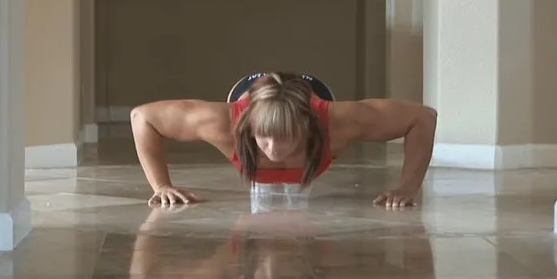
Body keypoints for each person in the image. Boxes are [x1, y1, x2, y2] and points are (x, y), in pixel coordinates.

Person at [130, 71, 438, 208]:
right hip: (249, 95)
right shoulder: (222, 123)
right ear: (247, 127)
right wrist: (161, 186)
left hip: (311, 92)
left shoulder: (340, 121)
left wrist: (406, 188)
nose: (274, 149)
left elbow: (422, 117)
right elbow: (142, 117)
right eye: (263, 138)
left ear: (309, 127)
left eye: (287, 138)